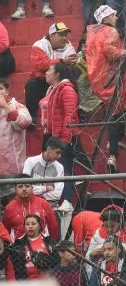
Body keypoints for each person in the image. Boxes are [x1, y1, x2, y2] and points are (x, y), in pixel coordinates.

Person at [38, 62, 79, 206]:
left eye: (49, 70)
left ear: (57, 74)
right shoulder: (52, 89)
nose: (46, 73)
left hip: (61, 137)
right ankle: (56, 202)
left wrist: (64, 140)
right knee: (55, 171)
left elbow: (70, 116)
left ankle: (66, 202)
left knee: (64, 170)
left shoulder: (66, 89)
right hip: (51, 136)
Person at [27, 23, 77, 121]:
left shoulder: (69, 46)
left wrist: (61, 65)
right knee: (31, 84)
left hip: (60, 81)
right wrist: (62, 61)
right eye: (61, 35)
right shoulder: (39, 45)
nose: (65, 38)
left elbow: (71, 66)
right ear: (52, 35)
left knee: (75, 77)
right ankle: (32, 118)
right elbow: (41, 65)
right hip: (42, 81)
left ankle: (76, 114)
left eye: (66, 35)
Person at [5, 213, 55, 281]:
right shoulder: (18, 244)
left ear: (39, 226)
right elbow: (12, 268)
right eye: (27, 224)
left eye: (33, 224)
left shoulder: (49, 242)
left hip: (46, 283)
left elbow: (57, 264)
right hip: (27, 285)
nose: (30, 226)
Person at [23, 137, 65, 210]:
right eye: (57, 152)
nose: (59, 156)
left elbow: (57, 195)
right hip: (30, 209)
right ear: (49, 149)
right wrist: (45, 188)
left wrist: (35, 193)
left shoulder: (59, 167)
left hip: (50, 209)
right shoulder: (30, 162)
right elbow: (25, 189)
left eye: (61, 153)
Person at [0, 80, 31, 174]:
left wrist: (5, 106)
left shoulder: (17, 106)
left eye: (0, 89)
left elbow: (25, 123)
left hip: (12, 166)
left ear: (7, 92)